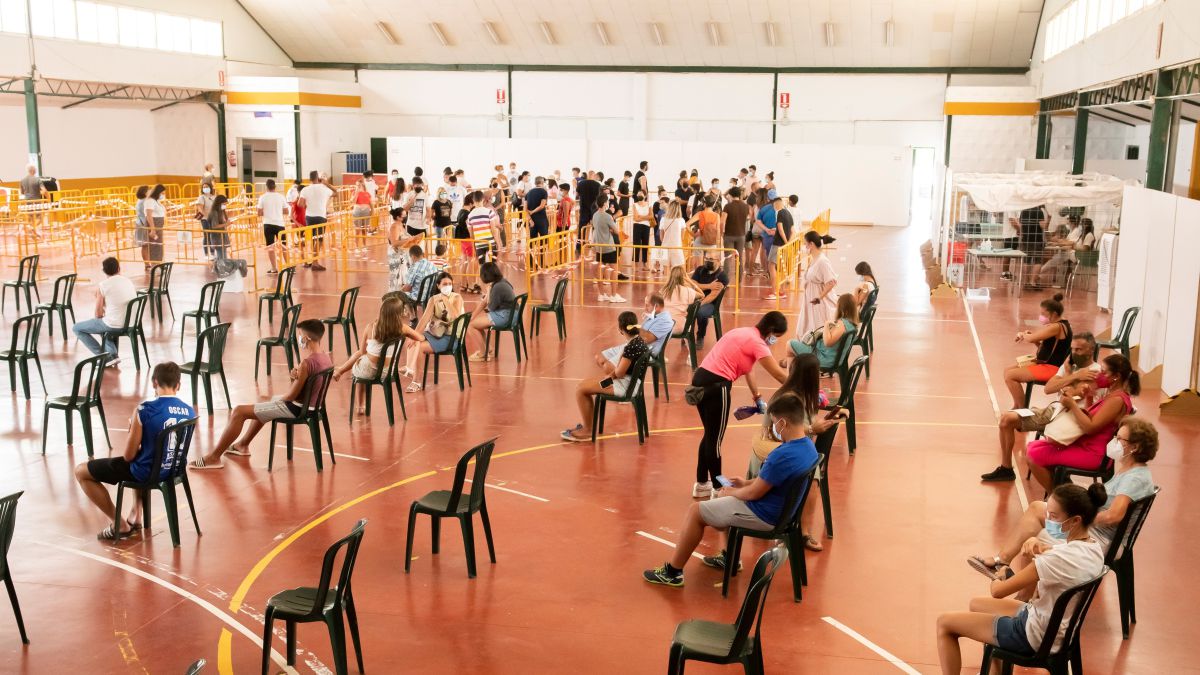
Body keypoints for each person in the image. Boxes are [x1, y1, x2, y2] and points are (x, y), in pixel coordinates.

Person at [643, 393, 820, 587]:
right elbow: (770, 481)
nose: (773, 427)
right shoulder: (808, 446)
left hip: (765, 515)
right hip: (784, 512)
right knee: (724, 502)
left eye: (775, 422)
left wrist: (732, 492)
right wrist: (745, 483)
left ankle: (673, 572)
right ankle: (730, 559)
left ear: (783, 423)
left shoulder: (781, 454)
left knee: (696, 511)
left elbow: (754, 494)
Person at [971, 416, 1157, 582]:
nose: (1114, 441)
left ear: (1135, 447)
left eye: (1119, 439)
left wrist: (1082, 517)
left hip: (1101, 540)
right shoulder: (1130, 469)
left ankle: (1022, 599)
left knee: (1033, 541)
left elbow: (1113, 516)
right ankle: (1002, 562)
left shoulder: (1134, 478)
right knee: (1037, 508)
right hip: (1097, 531)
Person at [74, 362, 196, 540]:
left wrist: (132, 430)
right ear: (178, 384)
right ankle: (136, 513)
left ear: (154, 383)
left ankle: (119, 524)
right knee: (145, 455)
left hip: (147, 473)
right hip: (173, 471)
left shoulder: (145, 410)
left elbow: (129, 455)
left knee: (82, 471)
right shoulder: (190, 412)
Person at [191, 319, 333, 468]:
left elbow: (291, 396)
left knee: (239, 411)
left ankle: (213, 458)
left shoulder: (307, 363)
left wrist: (279, 399)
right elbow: (305, 389)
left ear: (306, 338)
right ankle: (242, 445)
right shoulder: (325, 358)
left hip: (297, 408)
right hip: (312, 407)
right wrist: (294, 378)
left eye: (300, 335)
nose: (299, 338)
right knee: (263, 401)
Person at [687, 312, 790, 498]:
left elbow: (748, 370)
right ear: (771, 331)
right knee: (715, 440)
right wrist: (804, 387)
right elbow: (779, 374)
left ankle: (702, 483)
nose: (775, 341)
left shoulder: (743, 333)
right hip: (718, 386)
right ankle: (719, 489)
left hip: (700, 379)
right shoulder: (758, 343)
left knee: (710, 435)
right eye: (777, 337)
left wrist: (757, 396)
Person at [746, 354, 840, 551]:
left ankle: (798, 528)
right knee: (812, 475)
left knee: (810, 468)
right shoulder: (788, 399)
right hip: (772, 453)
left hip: (790, 450)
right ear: (811, 376)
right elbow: (777, 432)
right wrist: (813, 429)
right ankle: (803, 532)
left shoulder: (806, 395)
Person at [982, 333, 1102, 482]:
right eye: (1072, 349)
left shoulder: (1096, 372)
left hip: (1073, 418)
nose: (1073, 353)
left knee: (1042, 446)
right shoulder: (1070, 366)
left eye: (1079, 350)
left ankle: (1057, 485)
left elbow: (1072, 395)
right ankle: (1006, 469)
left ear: (1091, 350)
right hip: (1053, 410)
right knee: (1006, 419)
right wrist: (1073, 376)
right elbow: (1049, 388)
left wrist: (1065, 382)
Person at [1025, 354, 1138, 492]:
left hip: (1094, 453)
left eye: (1104, 372)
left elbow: (1090, 427)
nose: (1099, 375)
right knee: (1034, 447)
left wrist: (1072, 404)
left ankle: (1054, 497)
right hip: (1085, 443)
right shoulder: (1111, 394)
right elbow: (1091, 416)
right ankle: (1064, 494)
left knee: (1034, 454)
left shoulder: (1117, 400)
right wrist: (1089, 396)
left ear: (1116, 376)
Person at [561, 311, 651, 443]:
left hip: (625, 385)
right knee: (585, 384)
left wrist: (612, 371)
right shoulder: (640, 341)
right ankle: (589, 427)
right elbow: (619, 373)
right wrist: (609, 377)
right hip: (629, 382)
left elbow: (620, 373)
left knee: (580, 389)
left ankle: (588, 430)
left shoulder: (631, 347)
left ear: (621, 330)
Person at [334, 297, 418, 415]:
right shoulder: (402, 328)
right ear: (399, 313)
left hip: (368, 371)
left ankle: (360, 405)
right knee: (362, 359)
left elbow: (362, 351)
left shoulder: (370, 327)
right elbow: (420, 338)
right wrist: (410, 337)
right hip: (388, 372)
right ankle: (340, 370)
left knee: (360, 359)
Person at [1001, 294, 1072, 409]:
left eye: (1043, 314)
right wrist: (1033, 339)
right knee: (1007, 370)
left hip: (1052, 368)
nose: (1041, 316)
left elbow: (1033, 338)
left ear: (1053, 314)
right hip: (1044, 363)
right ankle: (1017, 405)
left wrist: (1024, 335)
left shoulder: (1057, 327)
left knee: (1010, 376)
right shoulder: (1055, 326)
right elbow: (1044, 349)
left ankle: (1022, 411)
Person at [403, 272, 465, 392]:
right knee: (413, 338)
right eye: (444, 284)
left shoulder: (457, 298)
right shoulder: (433, 299)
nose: (447, 286)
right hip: (436, 333)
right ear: (438, 286)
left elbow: (455, 316)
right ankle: (409, 368)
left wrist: (445, 300)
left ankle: (416, 381)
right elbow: (424, 319)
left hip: (451, 337)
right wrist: (413, 335)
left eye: (450, 284)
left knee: (420, 347)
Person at [73, 257, 136, 367]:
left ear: (104, 271)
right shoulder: (128, 281)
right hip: (131, 322)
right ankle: (113, 355)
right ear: (119, 268)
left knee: (77, 328)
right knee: (103, 323)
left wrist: (99, 297)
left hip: (114, 325)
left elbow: (98, 314)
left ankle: (105, 356)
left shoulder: (103, 285)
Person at [788, 293, 859, 370]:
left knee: (789, 344)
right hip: (830, 356)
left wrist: (826, 324)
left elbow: (827, 342)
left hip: (825, 359)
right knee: (799, 346)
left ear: (841, 308)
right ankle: (795, 366)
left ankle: (788, 377)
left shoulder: (842, 324)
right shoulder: (852, 325)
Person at [467, 262, 516, 362]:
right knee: (474, 322)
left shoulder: (497, 287)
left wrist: (488, 291)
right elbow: (485, 302)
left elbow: (490, 308)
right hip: (511, 314)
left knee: (470, 326)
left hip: (505, 316)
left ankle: (483, 354)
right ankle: (488, 349)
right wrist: (473, 316)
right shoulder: (501, 282)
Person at [797, 231, 838, 337]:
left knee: (818, 327)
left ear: (811, 244)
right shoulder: (814, 259)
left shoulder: (822, 261)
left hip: (818, 302)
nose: (804, 247)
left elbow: (831, 282)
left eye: (805, 244)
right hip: (810, 298)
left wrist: (819, 298)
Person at [1035, 217, 1096, 287]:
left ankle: (1039, 274)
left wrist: (1071, 246)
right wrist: (1066, 245)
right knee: (1058, 257)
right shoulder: (1083, 234)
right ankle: (1042, 275)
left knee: (1059, 257)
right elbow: (1073, 243)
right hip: (1075, 253)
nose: (1080, 226)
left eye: (1082, 224)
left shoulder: (1089, 235)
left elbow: (1085, 248)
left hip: (1080, 256)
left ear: (1086, 225)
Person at [591, 194, 624, 303]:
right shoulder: (607, 216)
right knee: (614, 270)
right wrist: (610, 230)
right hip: (609, 247)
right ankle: (613, 295)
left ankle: (601, 294)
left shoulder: (595, 215)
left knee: (601, 270)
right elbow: (616, 231)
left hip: (599, 247)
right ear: (605, 203)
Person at [691, 252, 728, 349]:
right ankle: (687, 334)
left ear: (718, 261)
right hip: (695, 298)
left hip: (711, 304)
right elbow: (692, 284)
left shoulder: (722, 276)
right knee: (685, 307)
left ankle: (700, 336)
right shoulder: (700, 270)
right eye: (706, 258)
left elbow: (713, 295)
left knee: (700, 312)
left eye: (711, 259)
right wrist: (709, 286)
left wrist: (700, 304)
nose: (708, 261)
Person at [298, 171, 333, 271]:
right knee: (319, 240)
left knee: (314, 238)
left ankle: (314, 260)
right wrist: (327, 184)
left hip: (309, 216)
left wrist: (307, 205)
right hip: (320, 216)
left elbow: (300, 204)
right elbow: (335, 193)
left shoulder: (305, 189)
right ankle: (315, 262)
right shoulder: (324, 188)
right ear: (318, 178)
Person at [386, 209, 424, 295]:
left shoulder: (401, 225)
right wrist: (408, 239)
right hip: (396, 255)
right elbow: (394, 243)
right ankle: (393, 297)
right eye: (404, 216)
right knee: (396, 277)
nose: (406, 217)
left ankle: (400, 296)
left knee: (403, 277)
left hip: (403, 255)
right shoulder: (394, 226)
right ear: (398, 217)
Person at [764, 194, 793, 300]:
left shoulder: (780, 213)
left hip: (778, 244)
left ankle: (775, 292)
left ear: (777, 204)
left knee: (771, 266)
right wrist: (788, 242)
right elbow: (792, 230)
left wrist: (785, 242)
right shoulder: (788, 213)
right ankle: (781, 291)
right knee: (779, 268)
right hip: (784, 244)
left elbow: (780, 229)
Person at [257, 179, 289, 274]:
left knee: (270, 247)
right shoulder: (281, 197)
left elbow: (259, 213)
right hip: (280, 224)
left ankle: (274, 268)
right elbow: (286, 211)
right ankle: (288, 266)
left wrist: (266, 211)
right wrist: (278, 211)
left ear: (266, 187)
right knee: (284, 246)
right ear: (275, 186)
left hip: (268, 224)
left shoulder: (262, 197)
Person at [720, 187, 749, 279]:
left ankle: (725, 279)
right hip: (741, 235)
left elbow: (722, 222)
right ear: (739, 195)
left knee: (728, 258)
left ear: (731, 195)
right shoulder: (745, 206)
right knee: (739, 257)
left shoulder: (728, 206)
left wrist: (721, 233)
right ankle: (739, 279)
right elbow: (748, 217)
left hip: (729, 235)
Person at [658, 200, 686, 272]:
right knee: (677, 271)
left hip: (665, 246)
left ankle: (666, 283)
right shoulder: (681, 220)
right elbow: (682, 237)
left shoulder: (663, 219)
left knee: (666, 271)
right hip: (677, 247)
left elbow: (661, 237)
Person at [630, 192, 653, 272]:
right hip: (637, 225)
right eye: (638, 194)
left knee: (645, 244)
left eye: (641, 194)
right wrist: (646, 217)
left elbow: (651, 216)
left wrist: (641, 217)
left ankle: (645, 263)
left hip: (646, 226)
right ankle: (636, 264)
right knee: (636, 244)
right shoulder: (634, 205)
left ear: (645, 196)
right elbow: (636, 218)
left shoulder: (649, 205)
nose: (639, 195)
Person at [351, 176, 374, 256]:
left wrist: (372, 211)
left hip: (366, 212)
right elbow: (353, 202)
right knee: (357, 230)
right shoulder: (354, 193)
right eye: (357, 185)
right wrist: (357, 192)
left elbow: (371, 204)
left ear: (363, 185)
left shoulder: (367, 193)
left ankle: (364, 245)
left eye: (359, 185)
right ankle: (356, 247)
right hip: (357, 212)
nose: (358, 187)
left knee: (364, 229)